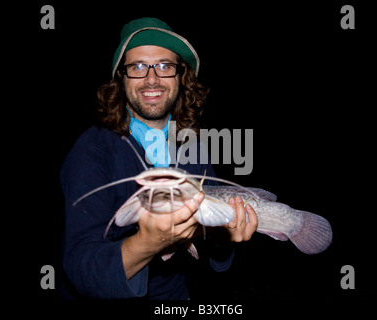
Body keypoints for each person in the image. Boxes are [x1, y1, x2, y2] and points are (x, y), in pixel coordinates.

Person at [60, 17, 258, 300]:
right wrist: (147, 243)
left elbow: (209, 242)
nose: (152, 79)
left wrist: (222, 238)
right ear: (121, 77)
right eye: (138, 67)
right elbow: (79, 268)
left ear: (181, 76)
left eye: (165, 66)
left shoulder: (193, 144)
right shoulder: (91, 151)